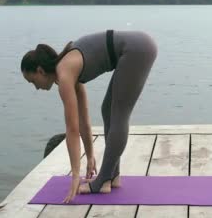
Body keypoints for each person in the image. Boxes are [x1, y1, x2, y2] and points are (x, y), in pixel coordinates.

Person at [20, 30, 157, 203]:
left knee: (119, 113)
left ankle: (104, 180)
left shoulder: (65, 74)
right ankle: (112, 176)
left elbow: (72, 129)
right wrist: (90, 155)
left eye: (32, 81)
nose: (36, 87)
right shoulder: (67, 67)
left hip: (137, 49)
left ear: (40, 71)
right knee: (107, 110)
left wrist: (75, 175)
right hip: (136, 47)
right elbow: (83, 119)